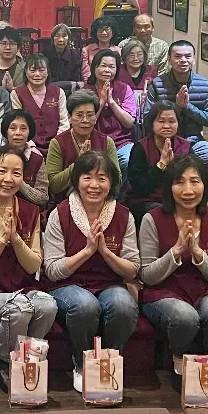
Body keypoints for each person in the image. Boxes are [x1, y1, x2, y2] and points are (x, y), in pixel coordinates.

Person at [43, 151, 139, 392]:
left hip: (109, 284)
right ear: (76, 180)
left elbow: (133, 268)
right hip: (68, 285)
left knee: (123, 304)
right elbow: (53, 270)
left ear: (111, 183)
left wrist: (105, 252)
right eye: (87, 177)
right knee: (85, 305)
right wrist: (87, 251)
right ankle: (82, 364)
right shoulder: (60, 213)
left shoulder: (123, 215)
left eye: (102, 178)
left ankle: (107, 362)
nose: (94, 185)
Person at [0, 146, 58, 391]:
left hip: (23, 288)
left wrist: (15, 238)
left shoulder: (30, 211)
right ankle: (5, 364)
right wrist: (1, 239)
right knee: (20, 308)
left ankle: (31, 364)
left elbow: (34, 264)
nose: (8, 179)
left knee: (48, 305)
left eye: (16, 173)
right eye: (1, 171)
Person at [138, 155, 208, 392]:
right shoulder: (153, 219)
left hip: (207, 288)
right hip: (163, 291)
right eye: (179, 182)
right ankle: (178, 363)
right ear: (169, 187)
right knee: (185, 317)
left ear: (205, 185)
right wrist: (177, 252)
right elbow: (147, 274)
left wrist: (199, 255)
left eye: (195, 181)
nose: (188, 190)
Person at [141, 40, 208, 174]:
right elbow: (147, 118)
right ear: (169, 60)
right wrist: (174, 108)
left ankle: (191, 179)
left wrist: (187, 107)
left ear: (194, 59)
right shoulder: (157, 84)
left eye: (188, 56)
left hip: (192, 140)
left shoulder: (204, 84)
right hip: (161, 141)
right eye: (178, 56)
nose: (183, 60)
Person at [124, 101, 194, 227]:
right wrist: (161, 165)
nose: (167, 126)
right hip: (145, 200)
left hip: (179, 198)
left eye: (172, 121)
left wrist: (173, 166)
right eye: (161, 121)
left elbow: (192, 179)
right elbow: (139, 188)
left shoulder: (186, 147)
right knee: (159, 213)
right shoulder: (140, 148)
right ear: (152, 124)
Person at [47, 91, 119, 202]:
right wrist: (78, 163)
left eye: (90, 115)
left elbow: (117, 179)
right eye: (79, 115)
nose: (85, 120)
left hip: (100, 200)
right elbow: (53, 185)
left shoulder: (106, 142)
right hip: (66, 203)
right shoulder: (58, 143)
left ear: (95, 117)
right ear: (69, 117)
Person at [87, 50, 137, 172]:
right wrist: (101, 102)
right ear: (94, 68)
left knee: (128, 160)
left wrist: (111, 102)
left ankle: (121, 191)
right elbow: (87, 123)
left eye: (111, 67)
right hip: (93, 142)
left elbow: (129, 122)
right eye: (103, 66)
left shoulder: (125, 89)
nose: (107, 70)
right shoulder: (86, 91)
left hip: (121, 142)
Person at [10, 53, 69, 153]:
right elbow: (19, 125)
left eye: (41, 70)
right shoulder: (16, 94)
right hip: (28, 146)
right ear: (26, 72)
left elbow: (64, 123)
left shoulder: (59, 92)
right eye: (32, 70)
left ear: (47, 72)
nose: (37, 74)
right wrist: (31, 146)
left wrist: (56, 144)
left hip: (57, 145)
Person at [0, 109, 49, 208]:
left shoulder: (38, 160)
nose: (18, 133)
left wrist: (19, 182)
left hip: (28, 213)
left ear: (29, 132)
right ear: (6, 131)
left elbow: (43, 197)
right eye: (13, 128)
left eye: (23, 128)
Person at [117, 40, 157, 134]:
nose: (136, 58)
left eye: (139, 54)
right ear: (125, 56)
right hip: (124, 115)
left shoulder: (152, 71)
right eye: (131, 55)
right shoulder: (118, 71)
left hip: (146, 116)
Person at [0, 26, 26, 91]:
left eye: (12, 43)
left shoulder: (26, 68)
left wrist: (13, 90)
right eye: (4, 43)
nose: (8, 47)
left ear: (18, 48)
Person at [47, 23, 83, 88]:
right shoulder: (44, 55)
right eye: (57, 36)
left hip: (69, 91)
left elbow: (76, 81)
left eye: (64, 36)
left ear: (68, 38)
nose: (61, 39)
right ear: (53, 38)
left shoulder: (75, 57)